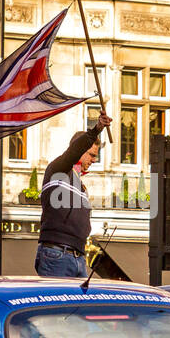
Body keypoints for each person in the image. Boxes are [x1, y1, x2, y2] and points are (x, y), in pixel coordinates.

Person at [35, 114, 114, 278]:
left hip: (77, 256)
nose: (94, 160)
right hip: (57, 254)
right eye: (91, 155)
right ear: (79, 150)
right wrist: (97, 129)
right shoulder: (58, 170)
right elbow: (73, 152)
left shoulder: (81, 185)